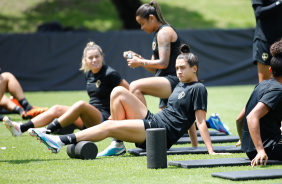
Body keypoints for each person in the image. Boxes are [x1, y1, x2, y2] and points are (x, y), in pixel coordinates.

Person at [30, 44, 222, 157]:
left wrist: (209, 151)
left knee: (109, 125)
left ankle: (59, 140)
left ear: (194, 68)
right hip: (156, 121)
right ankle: (118, 143)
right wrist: (194, 145)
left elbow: (199, 121)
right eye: (177, 68)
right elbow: (184, 117)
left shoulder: (198, 89)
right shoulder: (180, 85)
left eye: (183, 68)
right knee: (118, 92)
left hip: (160, 135)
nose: (178, 71)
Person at [99, 0, 230, 157]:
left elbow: (163, 63)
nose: (141, 28)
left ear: (152, 18)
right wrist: (140, 60)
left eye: (142, 23)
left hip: (174, 79)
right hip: (165, 79)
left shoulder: (164, 32)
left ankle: (140, 127)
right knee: (169, 121)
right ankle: (202, 132)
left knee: (135, 86)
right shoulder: (157, 35)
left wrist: (140, 61)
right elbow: (155, 67)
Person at [3, 41, 129, 140]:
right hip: (88, 119)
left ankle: (47, 130)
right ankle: (20, 128)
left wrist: (116, 117)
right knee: (57, 108)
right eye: (91, 58)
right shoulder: (89, 74)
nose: (94, 60)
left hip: (103, 120)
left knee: (81, 104)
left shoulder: (110, 73)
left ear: (102, 57)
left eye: (97, 57)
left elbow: (129, 92)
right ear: (85, 60)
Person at [236, 38, 282, 167]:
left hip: (251, 150)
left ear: (270, 71)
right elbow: (251, 117)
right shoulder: (278, 90)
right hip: (269, 149)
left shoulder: (261, 85)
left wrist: (245, 141)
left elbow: (239, 119)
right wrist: (260, 150)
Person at [251, 0, 282, 82]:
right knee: (265, 80)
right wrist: (278, 3)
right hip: (265, 41)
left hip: (281, 42)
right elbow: (258, 12)